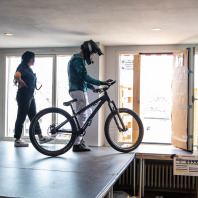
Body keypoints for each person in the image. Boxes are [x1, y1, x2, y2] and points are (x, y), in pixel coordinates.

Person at [68, 40, 111, 152]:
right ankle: (76, 144)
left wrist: (93, 88)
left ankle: (79, 138)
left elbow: (81, 79)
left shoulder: (78, 59)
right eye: (92, 54)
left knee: (88, 114)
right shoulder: (78, 60)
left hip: (80, 89)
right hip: (77, 90)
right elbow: (84, 76)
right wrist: (100, 82)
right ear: (88, 51)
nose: (92, 57)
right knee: (82, 116)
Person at [14, 51, 53, 147]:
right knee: (21, 117)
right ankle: (17, 139)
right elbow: (16, 75)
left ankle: (41, 137)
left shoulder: (28, 68)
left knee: (34, 116)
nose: (34, 60)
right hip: (24, 96)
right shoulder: (22, 67)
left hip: (30, 96)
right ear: (29, 59)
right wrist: (22, 82)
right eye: (33, 58)